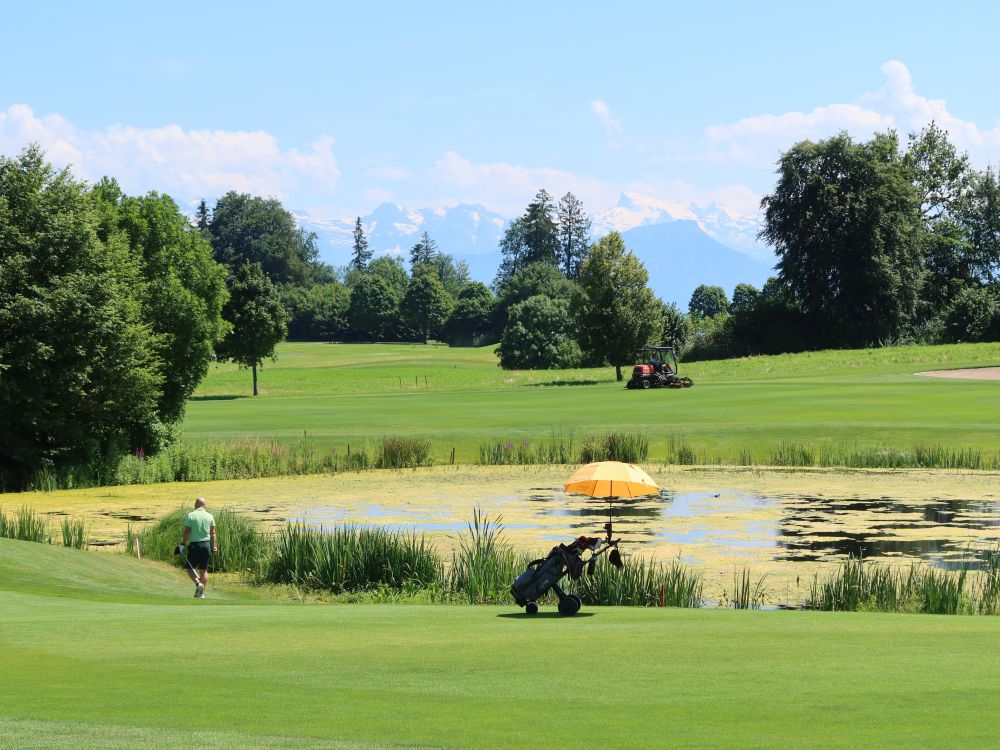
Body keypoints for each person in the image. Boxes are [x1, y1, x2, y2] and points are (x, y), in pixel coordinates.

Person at [181, 497, 217, 599]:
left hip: (195, 545)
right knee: (203, 570)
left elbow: (187, 531)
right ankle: (201, 594)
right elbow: (213, 533)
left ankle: (197, 583)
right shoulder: (210, 516)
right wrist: (214, 546)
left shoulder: (191, 515)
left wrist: (182, 544)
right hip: (206, 545)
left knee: (189, 567)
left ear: (195, 504)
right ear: (204, 505)